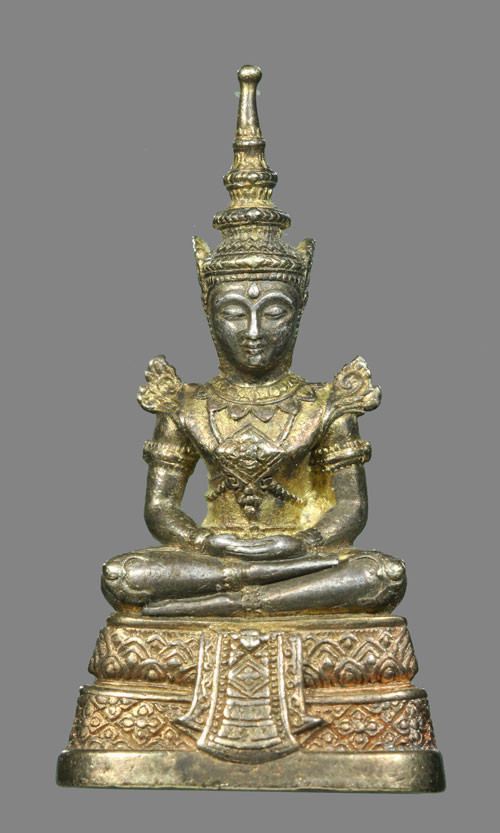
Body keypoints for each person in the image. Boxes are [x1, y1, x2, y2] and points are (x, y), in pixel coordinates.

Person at [102, 66, 406, 617]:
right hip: (217, 555)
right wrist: (206, 542)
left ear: (299, 308)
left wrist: (304, 542)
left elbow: (351, 510)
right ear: (208, 311)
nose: (253, 332)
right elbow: (161, 510)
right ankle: (256, 592)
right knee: (125, 575)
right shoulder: (185, 404)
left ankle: (235, 599)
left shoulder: (327, 404)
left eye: (274, 312)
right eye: (233, 313)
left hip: (299, 555)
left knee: (381, 575)